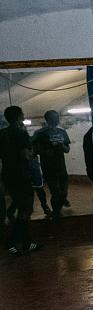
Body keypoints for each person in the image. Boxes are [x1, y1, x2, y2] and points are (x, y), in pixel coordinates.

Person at [0, 106, 40, 254]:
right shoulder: (21, 134)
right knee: (26, 209)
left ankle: (27, 242)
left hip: (8, 174)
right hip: (21, 174)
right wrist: (33, 152)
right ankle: (11, 242)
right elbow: (25, 155)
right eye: (22, 114)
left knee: (20, 206)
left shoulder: (2, 134)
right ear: (18, 117)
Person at [32, 110, 71, 217]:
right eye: (54, 117)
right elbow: (33, 150)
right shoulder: (39, 133)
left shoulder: (62, 132)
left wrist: (61, 146)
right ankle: (56, 213)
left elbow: (67, 149)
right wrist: (45, 152)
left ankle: (61, 202)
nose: (57, 119)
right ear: (48, 119)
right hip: (48, 166)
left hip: (61, 166)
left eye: (57, 116)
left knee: (64, 191)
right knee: (55, 191)